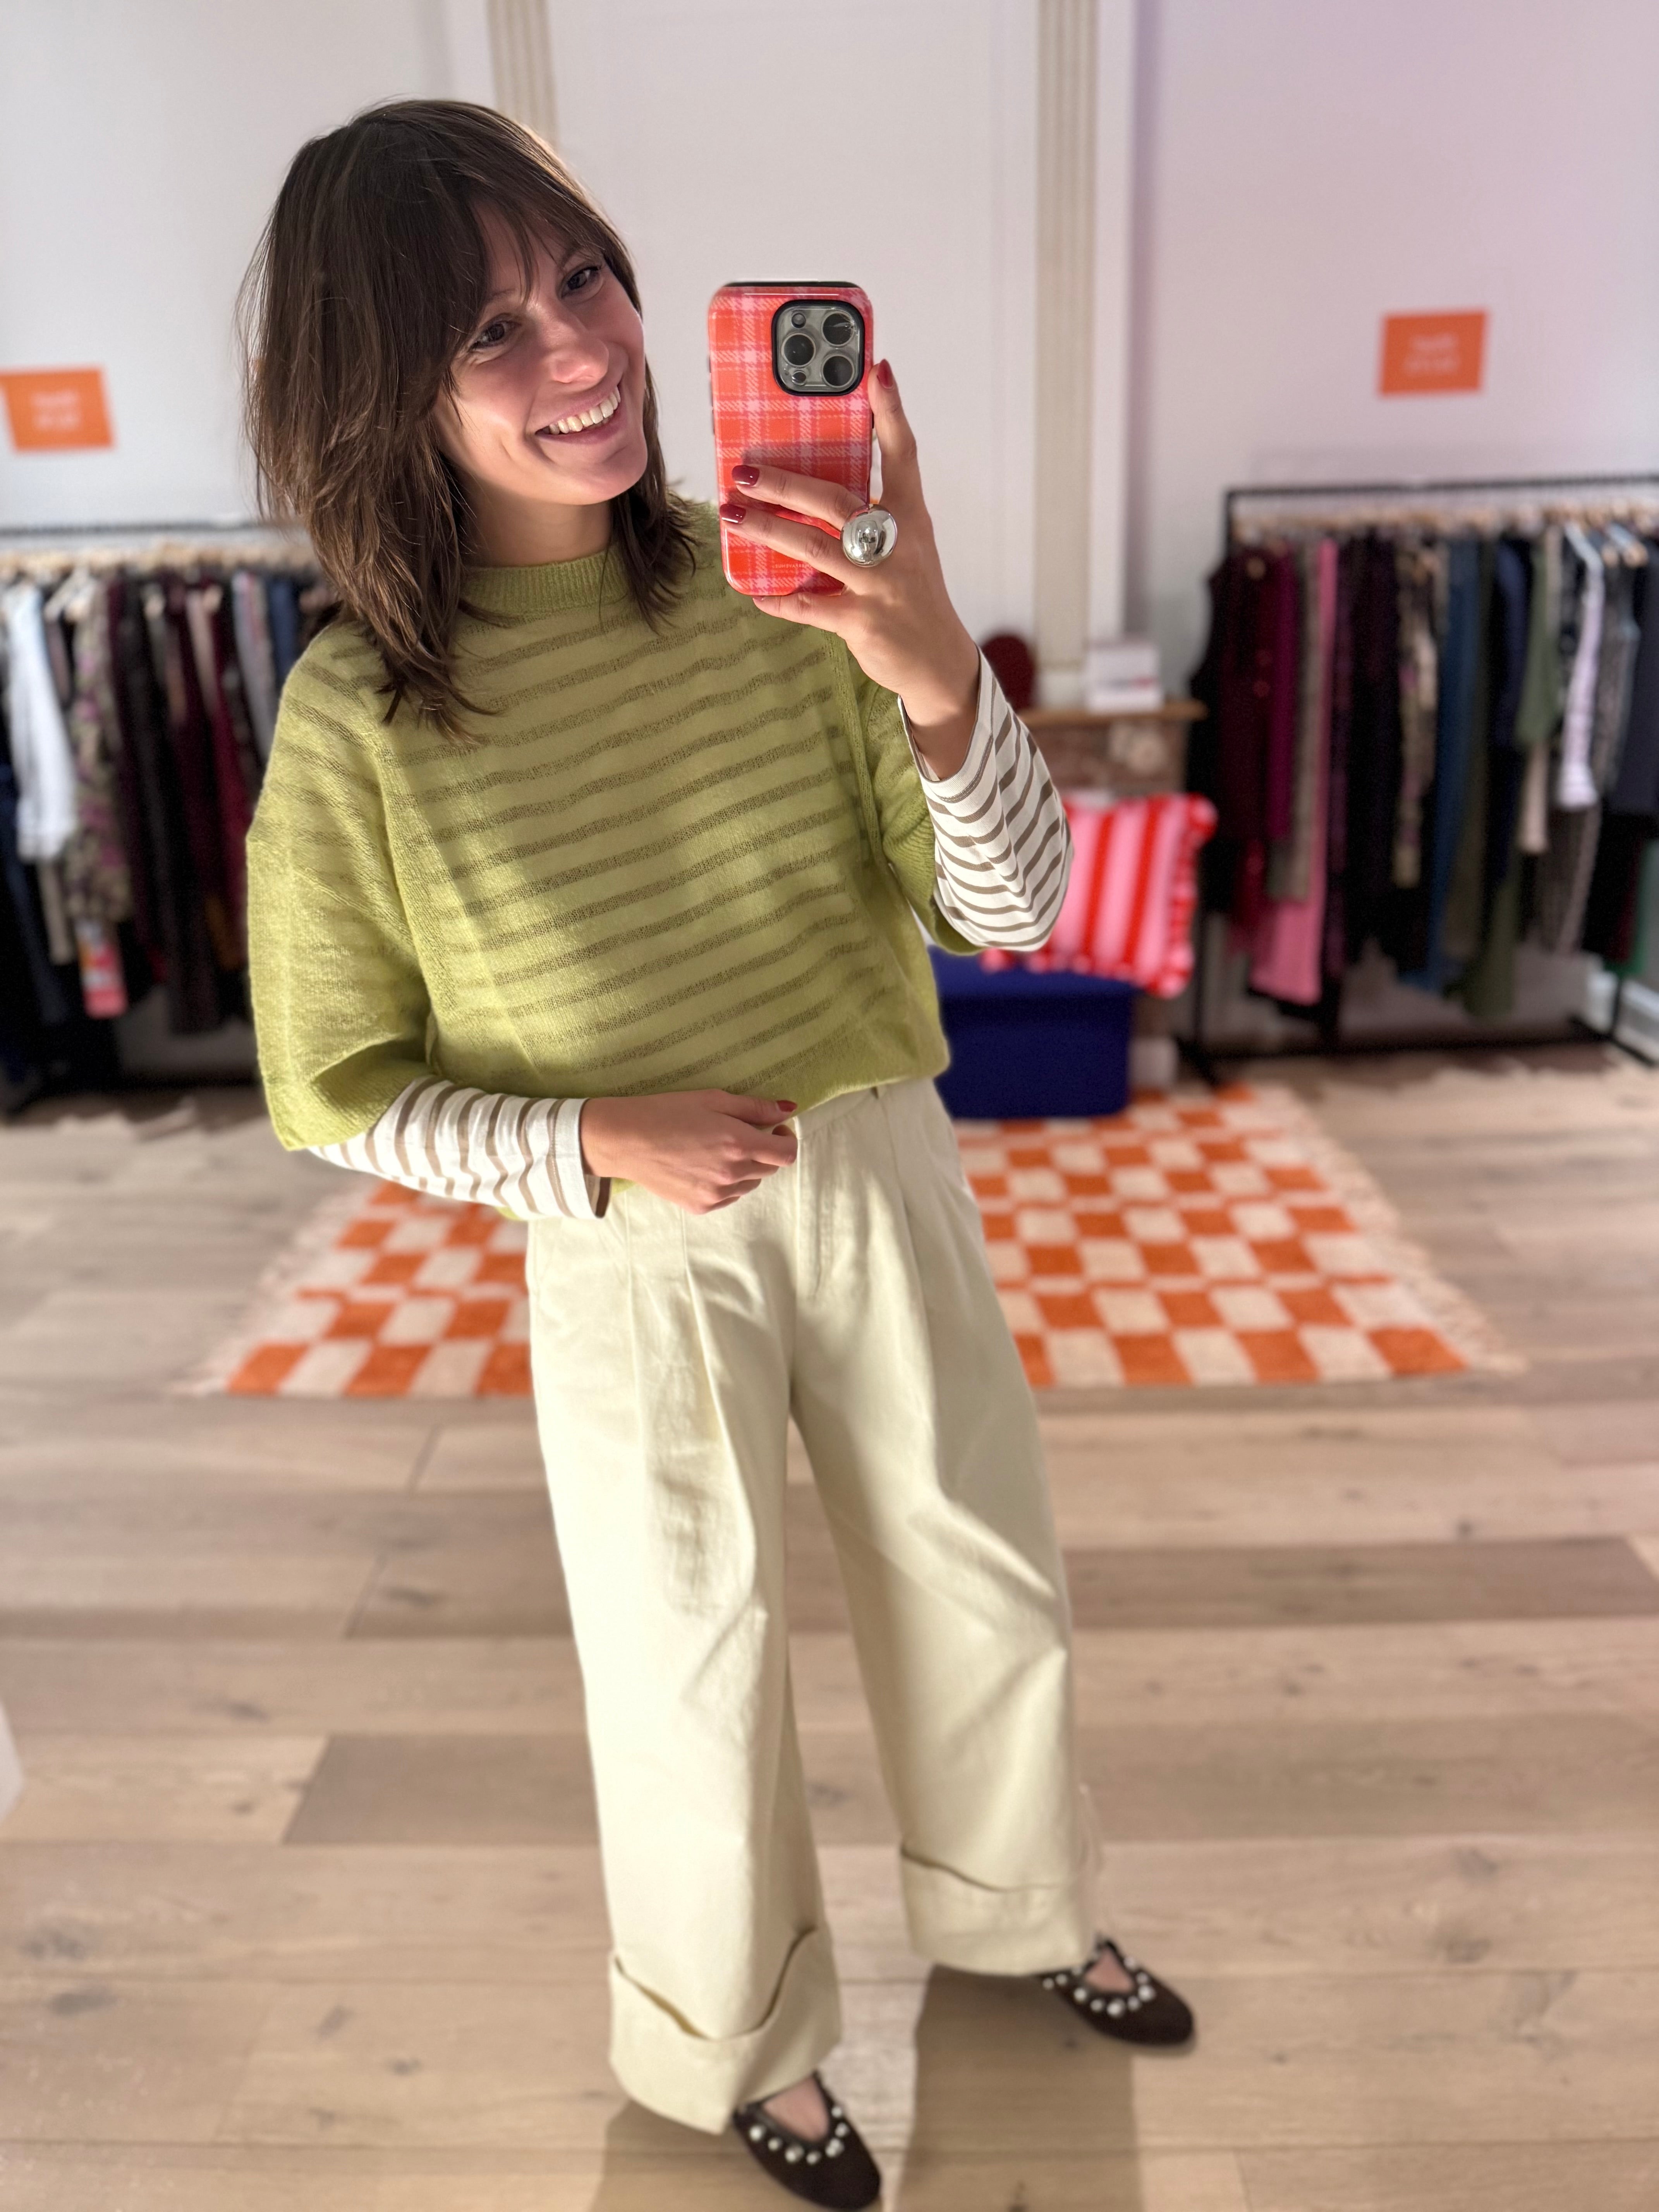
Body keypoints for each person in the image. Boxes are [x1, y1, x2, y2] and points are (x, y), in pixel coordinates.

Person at [241, 99, 1193, 2210]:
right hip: (630, 1239)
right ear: (375, 389)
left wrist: (933, 668)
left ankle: (1026, 1914)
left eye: (584, 277)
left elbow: (1015, 911)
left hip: (882, 1161)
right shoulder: (359, 716)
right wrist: (590, 1140)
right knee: (687, 1660)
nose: (582, 350)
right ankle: (729, 2042)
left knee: (983, 1578)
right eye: (491, 328)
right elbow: (329, 1087)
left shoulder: (793, 580)